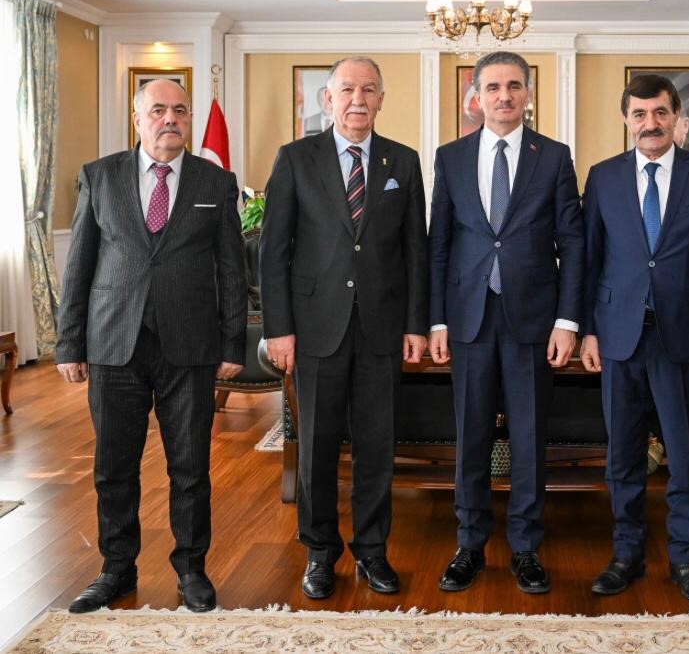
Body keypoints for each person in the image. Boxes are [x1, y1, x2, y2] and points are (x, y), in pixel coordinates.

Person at [56, 79, 247, 614]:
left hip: (190, 345)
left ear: (189, 120)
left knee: (190, 468)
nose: (170, 119)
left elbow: (232, 269)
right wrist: (69, 342)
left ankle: (191, 569)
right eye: (158, 110)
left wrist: (233, 343)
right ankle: (116, 569)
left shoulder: (216, 180)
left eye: (180, 110)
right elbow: (79, 264)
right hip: (113, 342)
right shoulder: (100, 175)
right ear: (137, 118)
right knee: (113, 466)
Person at [259, 56, 429, 599]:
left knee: (377, 445)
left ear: (381, 100)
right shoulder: (295, 158)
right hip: (315, 328)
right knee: (316, 445)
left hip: (382, 327)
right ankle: (319, 552)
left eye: (369, 89)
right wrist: (279, 329)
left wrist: (416, 324)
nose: (359, 99)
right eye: (348, 89)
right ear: (328, 99)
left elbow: (416, 251)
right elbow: (273, 252)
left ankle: (373, 551)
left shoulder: (404, 161)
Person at [580, 73, 689, 603]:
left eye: (660, 113)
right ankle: (626, 553)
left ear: (677, 118)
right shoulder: (603, 177)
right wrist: (588, 330)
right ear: (626, 120)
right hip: (618, 336)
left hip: (685, 337)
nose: (651, 123)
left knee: (685, 453)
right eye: (640, 114)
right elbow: (589, 260)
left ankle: (685, 557)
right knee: (622, 454)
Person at [428, 51, 582, 595]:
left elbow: (573, 243)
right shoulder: (450, 158)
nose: (504, 96)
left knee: (529, 436)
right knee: (470, 436)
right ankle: (469, 545)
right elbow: (439, 245)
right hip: (468, 319)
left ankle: (525, 548)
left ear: (528, 93)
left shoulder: (554, 157)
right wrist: (436, 321)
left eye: (514, 85)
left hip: (534, 321)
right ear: (477, 96)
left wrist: (568, 321)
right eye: (493, 87)